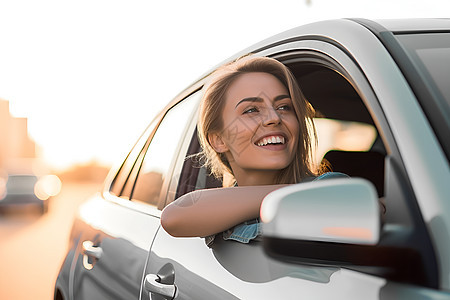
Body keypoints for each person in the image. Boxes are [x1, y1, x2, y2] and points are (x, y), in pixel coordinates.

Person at [161, 56, 346, 246]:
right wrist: (299, 194)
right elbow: (172, 218)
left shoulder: (332, 188)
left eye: (284, 107)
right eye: (251, 110)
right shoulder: (213, 206)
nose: (274, 118)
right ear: (219, 140)